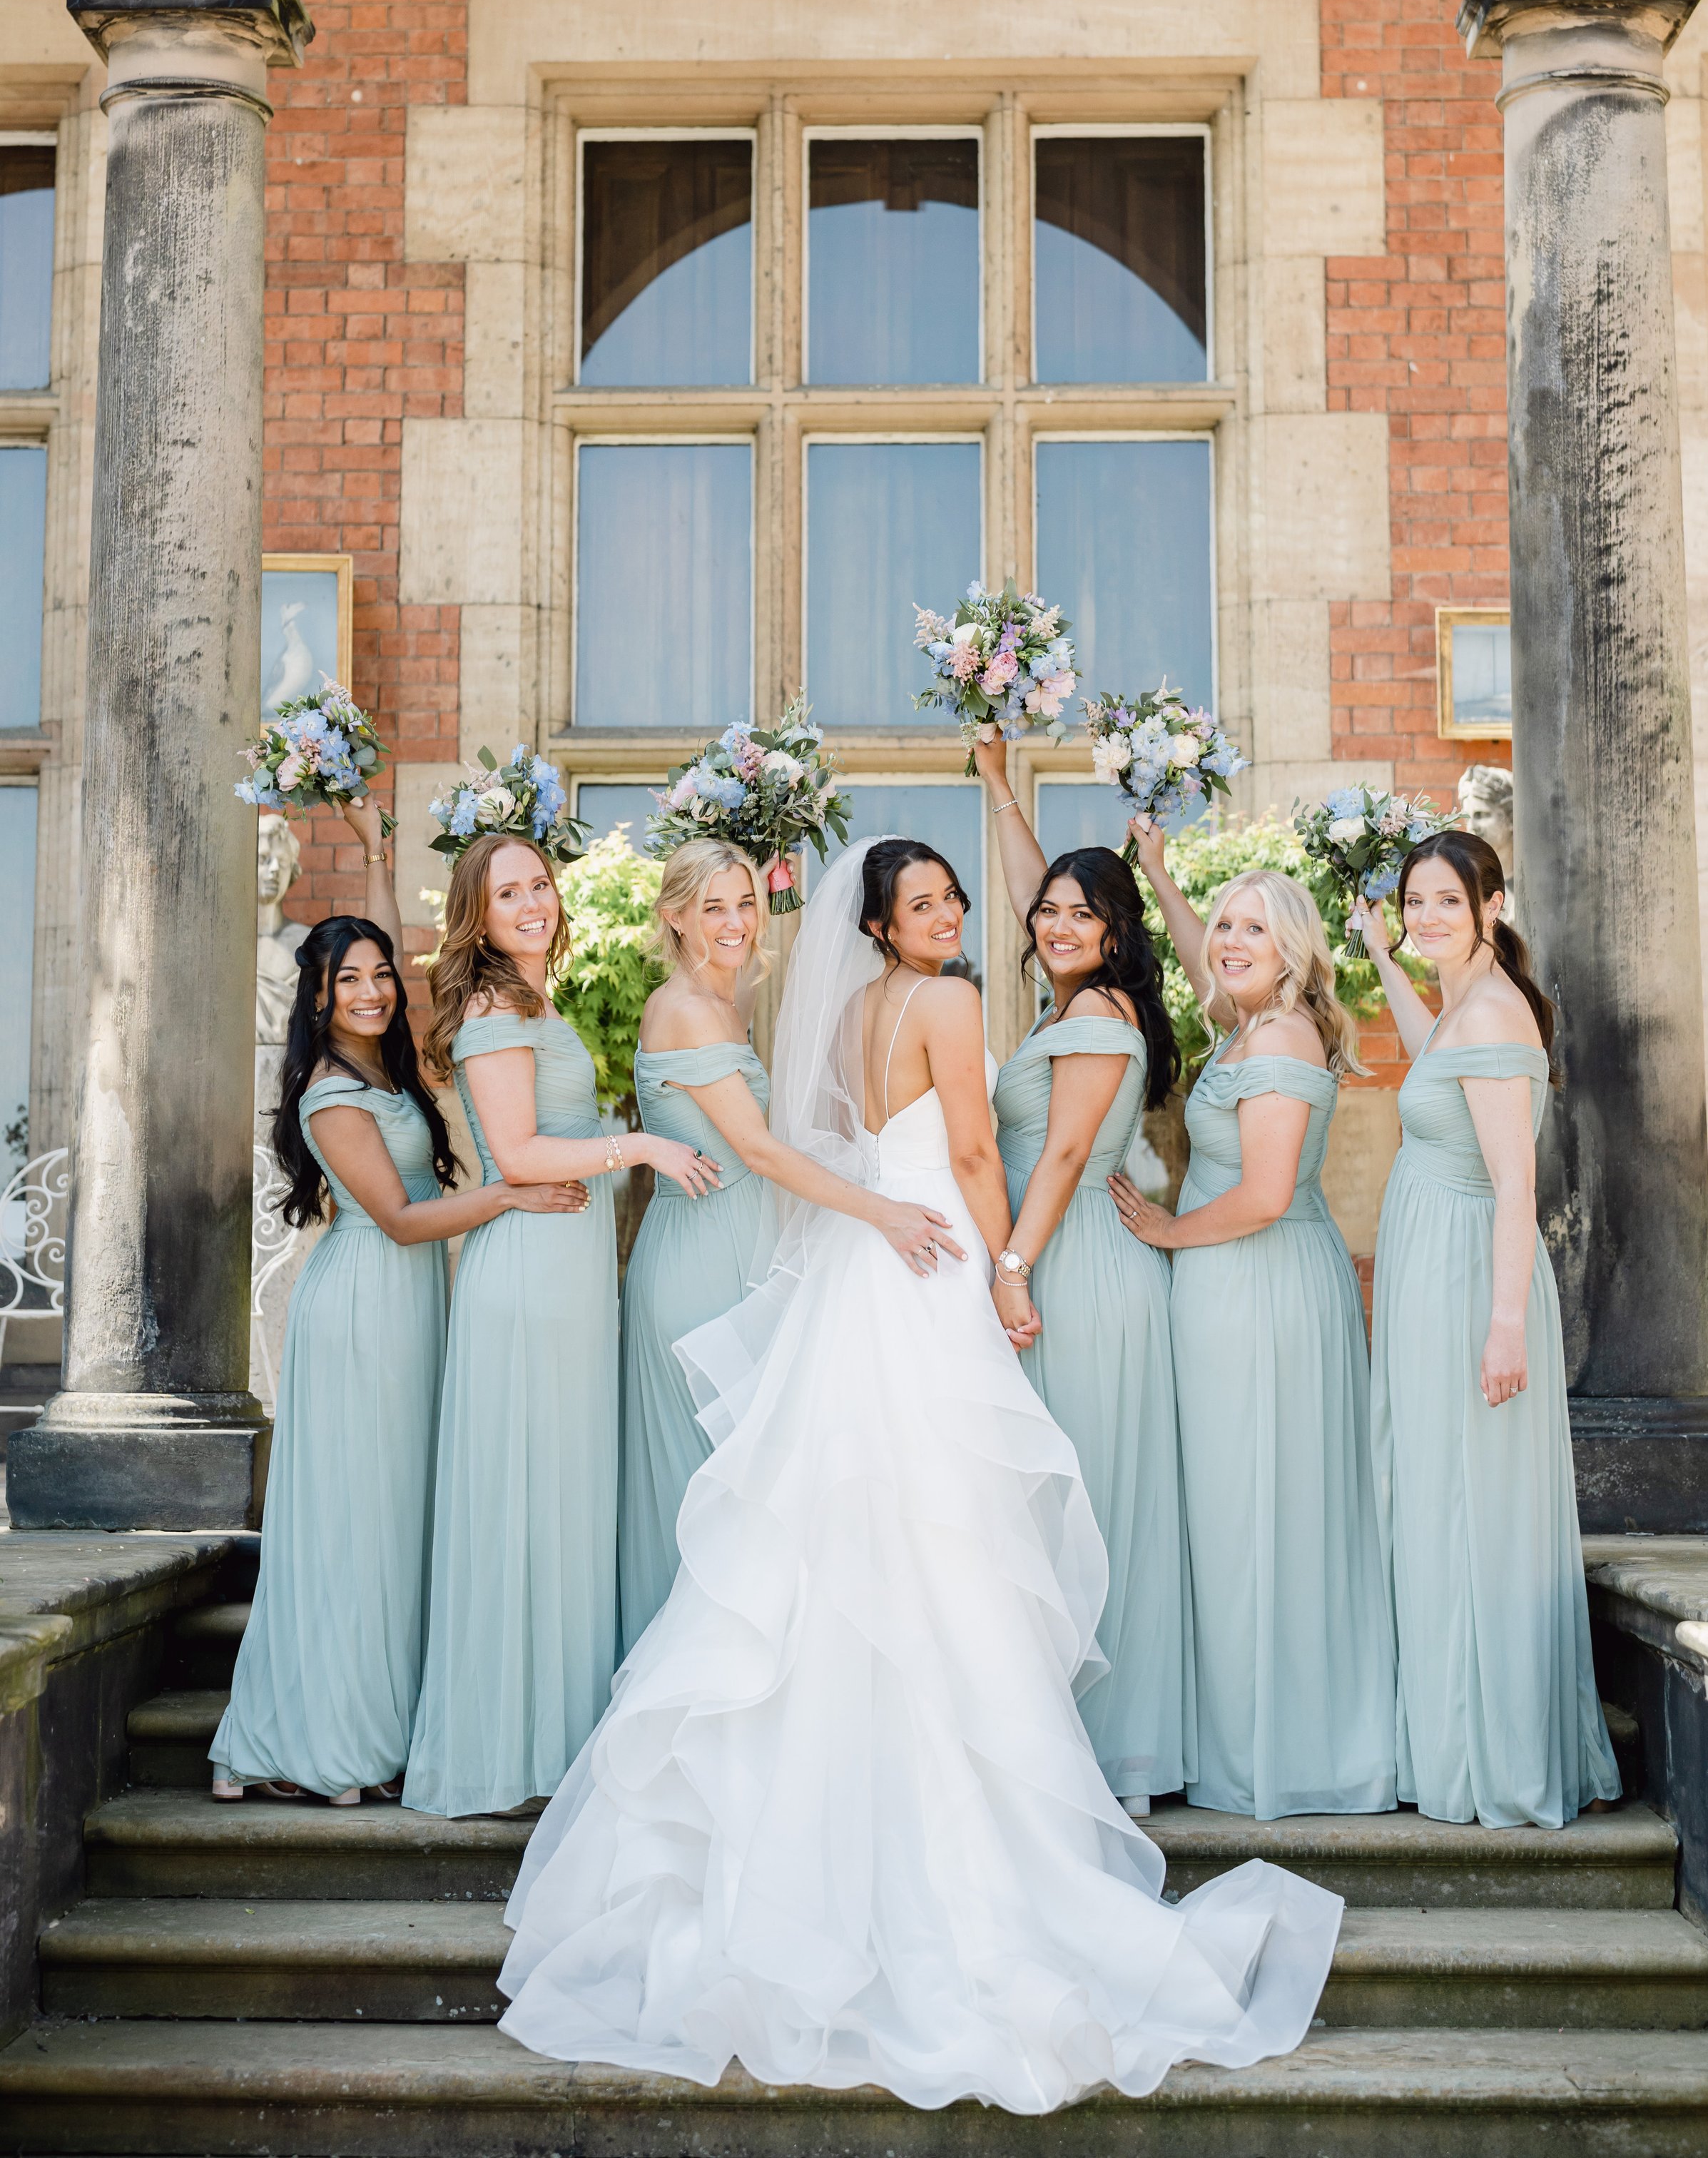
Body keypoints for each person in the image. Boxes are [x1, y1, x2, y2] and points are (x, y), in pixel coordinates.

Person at [494, 840, 1341, 2112]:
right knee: (945, 1542)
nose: (949, 918)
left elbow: (849, 1145)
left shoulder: (845, 1013)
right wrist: (1006, 1271)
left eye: (954, 899)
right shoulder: (950, 1002)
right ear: (884, 927)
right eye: (925, 905)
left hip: (857, 1270)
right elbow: (976, 1154)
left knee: (831, 1544)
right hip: (933, 1262)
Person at [212, 796, 589, 1804]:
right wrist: (510, 1189)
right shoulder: (330, 1095)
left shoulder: (392, 1066)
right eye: (350, 979)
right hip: (364, 1310)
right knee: (353, 1523)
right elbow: (401, 1218)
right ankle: (315, 1742)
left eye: (381, 973)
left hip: (418, 1308)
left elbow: (421, 966)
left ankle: (376, 1724)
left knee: (396, 1521)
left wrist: (381, 860)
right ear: (319, 997)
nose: (374, 990)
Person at [402, 831, 722, 1820]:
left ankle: (557, 1744)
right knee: (524, 1501)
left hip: (573, 1278)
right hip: (531, 1281)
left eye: (541, 883)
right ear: (480, 914)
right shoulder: (495, 1009)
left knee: (564, 1503)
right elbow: (516, 1147)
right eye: (509, 893)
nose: (533, 902)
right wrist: (641, 1143)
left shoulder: (537, 1001)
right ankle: (507, 1749)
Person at [620, 837, 965, 1651]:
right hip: (697, 1259)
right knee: (700, 1478)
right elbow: (763, 1153)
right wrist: (882, 1212)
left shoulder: (727, 1005)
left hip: (743, 1246)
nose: (737, 922)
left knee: (746, 1485)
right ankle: (675, 1694)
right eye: (713, 907)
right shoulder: (685, 1008)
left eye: (745, 902)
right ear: (674, 917)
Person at [1109, 842, 1396, 1819]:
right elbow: (1199, 957)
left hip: (1264, 1289)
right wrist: (1156, 870)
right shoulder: (1245, 1025)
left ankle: (1295, 1747)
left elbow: (1269, 1194)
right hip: (1224, 1288)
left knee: (1267, 1505)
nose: (1229, 942)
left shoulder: (1281, 1043)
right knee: (1229, 1510)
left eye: (1254, 928)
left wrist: (1167, 1230)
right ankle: (1239, 1733)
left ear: (1296, 953)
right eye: (1226, 924)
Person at [1351, 828, 1622, 1829]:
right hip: (1437, 1279)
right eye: (1414, 900)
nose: (1426, 916)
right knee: (1436, 1501)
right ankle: (1445, 1736)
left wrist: (1506, 1324)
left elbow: (1519, 1184)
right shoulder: (1466, 1004)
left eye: (1443, 903)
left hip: (1476, 1282)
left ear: (1490, 904)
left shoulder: (1500, 1009)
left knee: (1477, 1512)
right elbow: (1431, 1054)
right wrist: (1379, 948)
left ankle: (1493, 1756)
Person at [976, 739, 1191, 1818]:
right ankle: (1053, 1732)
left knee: (1086, 1503)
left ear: (1116, 936)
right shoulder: (1073, 1002)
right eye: (1049, 912)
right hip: (1056, 1261)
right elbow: (1031, 887)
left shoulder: (1100, 1015)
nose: (1055, 924)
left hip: (1078, 1274)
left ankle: (1105, 1748)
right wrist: (1000, 783)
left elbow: (1061, 1154)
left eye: (1081, 916)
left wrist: (1012, 1265)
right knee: (1052, 1504)